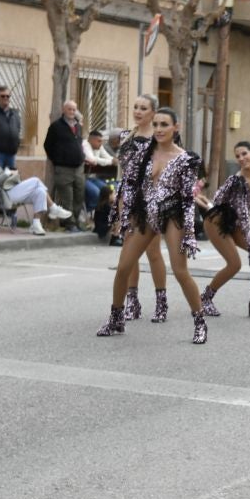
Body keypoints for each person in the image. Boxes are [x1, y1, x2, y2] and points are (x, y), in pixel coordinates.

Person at [97, 108, 208, 343]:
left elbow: (188, 199)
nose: (158, 129)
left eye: (164, 124)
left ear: (175, 127)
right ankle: (117, 318)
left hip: (172, 215)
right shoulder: (143, 153)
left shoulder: (187, 159)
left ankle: (200, 322)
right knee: (123, 267)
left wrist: (189, 232)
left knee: (180, 271)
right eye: (156, 124)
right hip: (145, 213)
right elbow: (129, 185)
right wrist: (123, 216)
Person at [200, 142, 250, 319]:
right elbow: (240, 213)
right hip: (217, 221)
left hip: (235, 221)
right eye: (238, 156)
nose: (241, 159)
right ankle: (205, 298)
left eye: (244, 154)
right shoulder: (238, 181)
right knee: (235, 264)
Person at [112, 97, 170, 319]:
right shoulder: (127, 136)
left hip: (150, 201)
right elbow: (122, 175)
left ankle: (161, 302)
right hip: (128, 199)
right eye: (135, 107)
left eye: (143, 108)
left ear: (153, 112)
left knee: (153, 252)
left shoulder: (158, 139)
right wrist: (119, 207)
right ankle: (132, 302)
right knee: (129, 253)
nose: (137, 111)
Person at [44, 100, 86, 231]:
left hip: (78, 168)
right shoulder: (56, 126)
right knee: (67, 197)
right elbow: (47, 145)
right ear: (64, 110)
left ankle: (76, 221)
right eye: (69, 109)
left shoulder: (78, 126)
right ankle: (69, 224)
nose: (72, 112)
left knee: (79, 195)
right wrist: (57, 159)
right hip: (63, 168)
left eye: (74, 110)